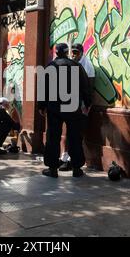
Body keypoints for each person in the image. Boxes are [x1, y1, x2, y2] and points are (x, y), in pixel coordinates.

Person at [38, 43, 92, 178]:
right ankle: (77, 169)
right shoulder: (76, 66)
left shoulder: (51, 67)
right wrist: (87, 103)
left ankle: (52, 169)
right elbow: (85, 86)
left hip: (54, 107)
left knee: (53, 137)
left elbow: (43, 88)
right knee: (74, 137)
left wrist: (41, 106)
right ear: (68, 52)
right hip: (72, 107)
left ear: (56, 52)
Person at [59, 43, 96, 171]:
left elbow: (89, 88)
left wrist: (86, 105)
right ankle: (64, 157)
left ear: (81, 52)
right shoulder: (71, 64)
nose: (74, 55)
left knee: (77, 134)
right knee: (68, 132)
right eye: (72, 52)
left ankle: (72, 161)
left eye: (76, 52)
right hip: (70, 103)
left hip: (81, 105)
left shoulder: (88, 66)